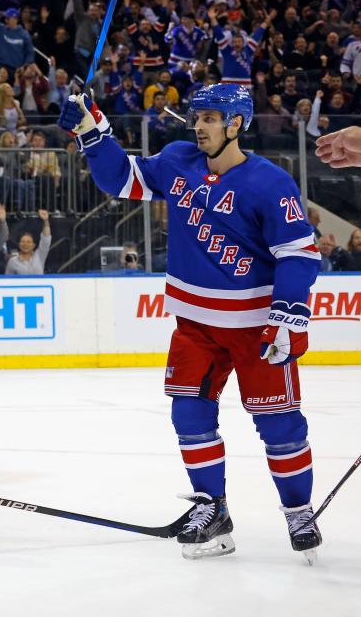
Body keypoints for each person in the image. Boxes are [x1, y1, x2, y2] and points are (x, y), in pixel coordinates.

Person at [58, 84, 323, 562]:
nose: (198, 126)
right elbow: (121, 178)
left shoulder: (270, 183)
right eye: (196, 117)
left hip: (254, 327)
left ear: (236, 124)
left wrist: (286, 316)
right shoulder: (178, 160)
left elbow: (299, 253)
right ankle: (212, 510)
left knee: (280, 425)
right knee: (190, 418)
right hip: (194, 326)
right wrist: (91, 131)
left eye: (209, 118)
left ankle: (298, 512)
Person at [4, 210, 51, 275]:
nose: (25, 244)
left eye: (29, 242)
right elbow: (7, 281)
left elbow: (46, 239)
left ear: (33, 245)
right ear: (19, 244)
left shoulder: (39, 255)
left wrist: (46, 220)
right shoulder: (12, 261)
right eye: (23, 242)